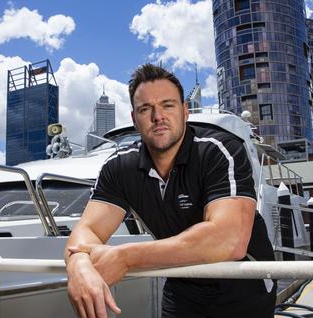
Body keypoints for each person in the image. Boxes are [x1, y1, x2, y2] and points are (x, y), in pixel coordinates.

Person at [65, 63, 276, 318]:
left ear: (185, 111)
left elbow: (229, 240)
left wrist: (125, 257)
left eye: (168, 105)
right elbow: (87, 230)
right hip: (182, 282)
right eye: (145, 109)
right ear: (134, 118)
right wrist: (78, 264)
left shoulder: (219, 151)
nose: (158, 117)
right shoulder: (120, 167)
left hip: (243, 285)